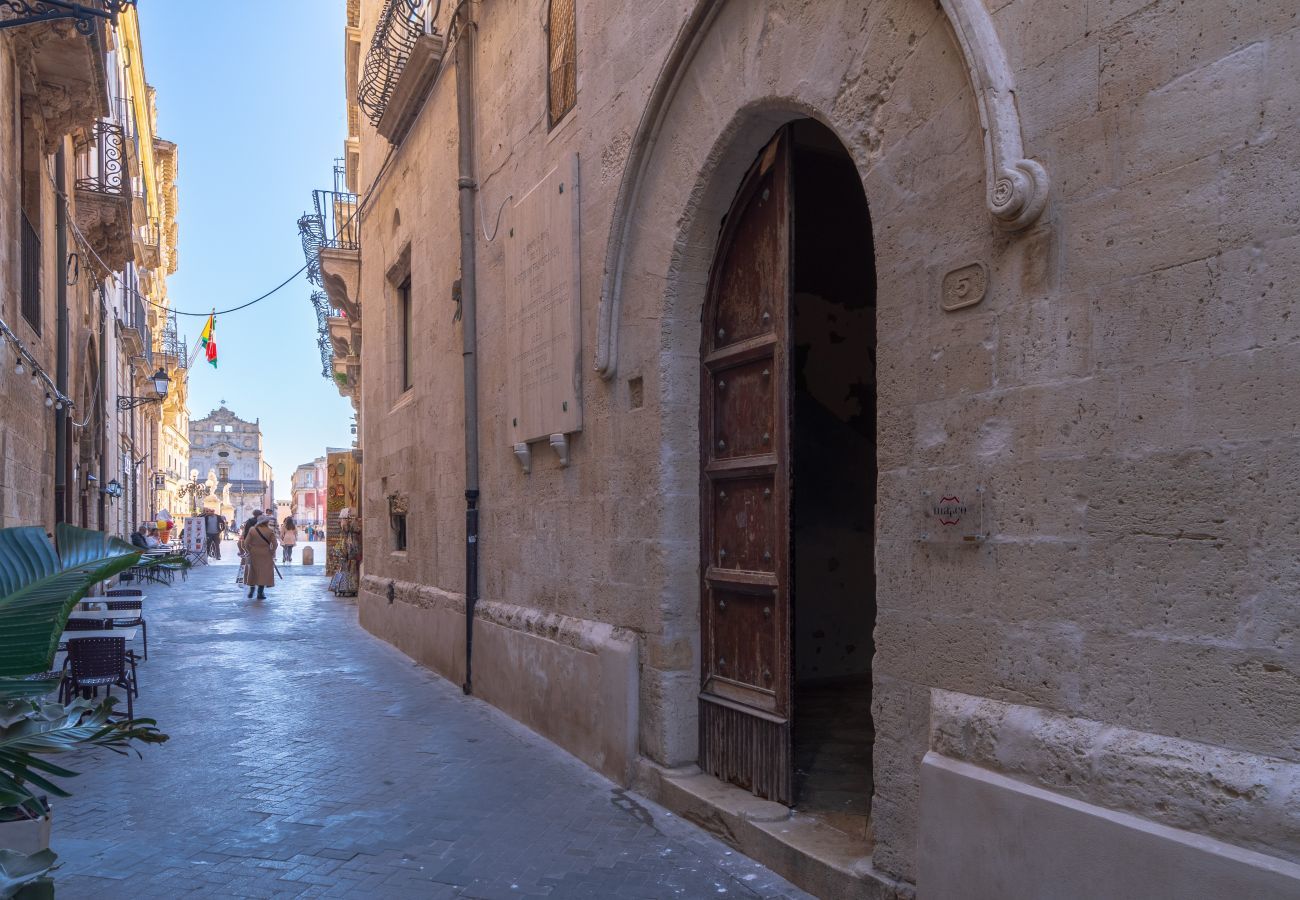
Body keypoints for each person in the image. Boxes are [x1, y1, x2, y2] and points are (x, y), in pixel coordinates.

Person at [240, 514, 277, 600]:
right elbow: (275, 544)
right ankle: (260, 592)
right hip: (266, 553)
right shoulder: (269, 531)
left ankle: (252, 590)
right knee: (263, 572)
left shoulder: (252, 530)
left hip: (254, 552)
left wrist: (249, 550)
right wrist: (271, 551)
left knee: (253, 571)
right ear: (266, 522)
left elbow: (245, 543)